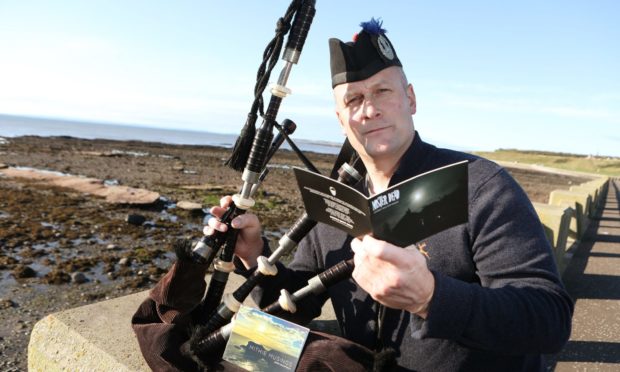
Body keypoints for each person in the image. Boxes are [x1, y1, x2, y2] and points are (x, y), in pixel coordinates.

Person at [205, 18, 574, 371]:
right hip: (358, 364)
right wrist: (254, 255)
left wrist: (432, 298)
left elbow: (549, 320)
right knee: (216, 351)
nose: (369, 109)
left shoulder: (480, 186)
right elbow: (296, 303)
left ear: (410, 99)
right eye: (353, 100)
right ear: (340, 118)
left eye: (383, 91)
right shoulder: (334, 200)